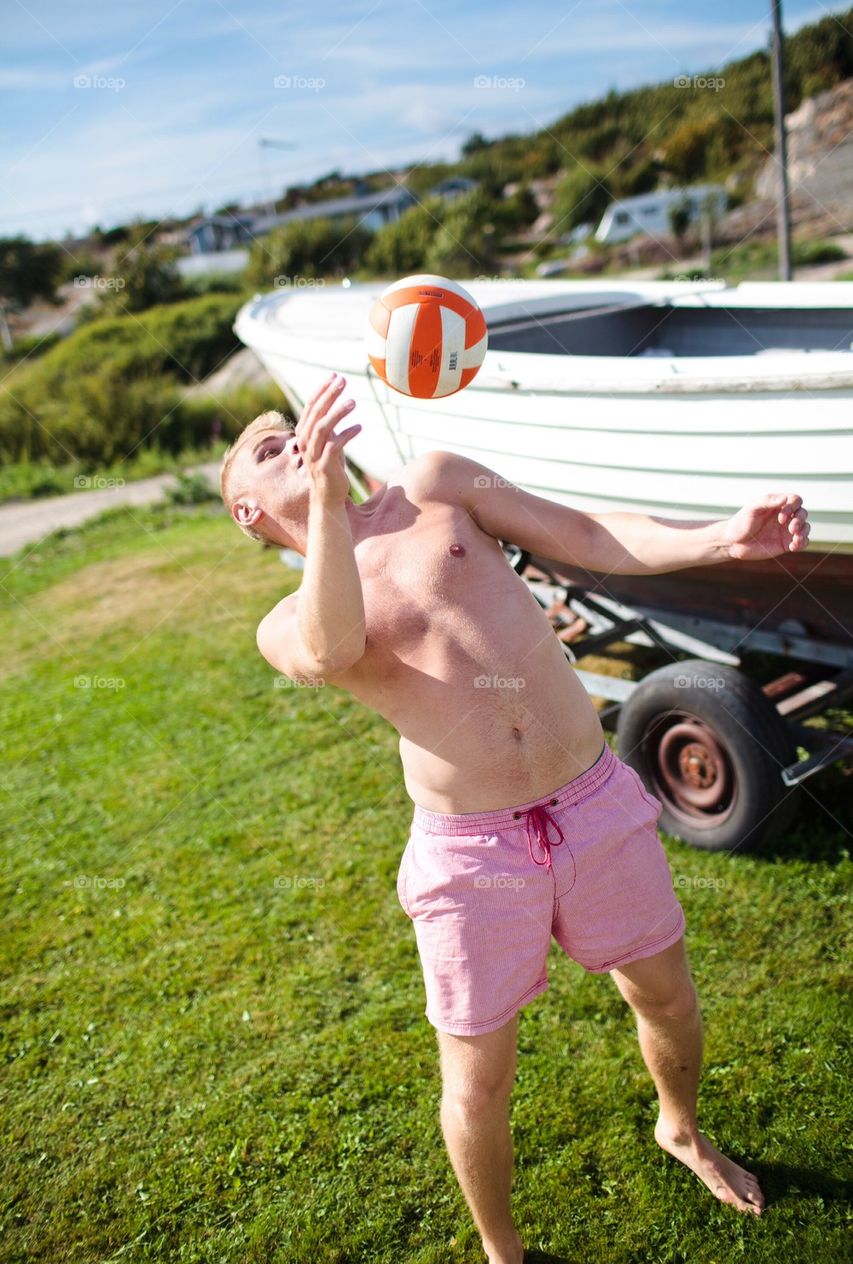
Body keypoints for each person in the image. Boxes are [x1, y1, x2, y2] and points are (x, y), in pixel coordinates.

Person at [220, 373, 811, 1264]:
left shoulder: (437, 485)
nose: (293, 445)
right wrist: (334, 508)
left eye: (291, 429)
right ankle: (505, 1253)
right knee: (478, 1081)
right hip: (470, 856)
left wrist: (720, 538)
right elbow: (336, 644)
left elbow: (580, 533)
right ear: (246, 513)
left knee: (667, 999)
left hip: (592, 803)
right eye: (270, 451)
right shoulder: (281, 622)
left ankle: (680, 1128)